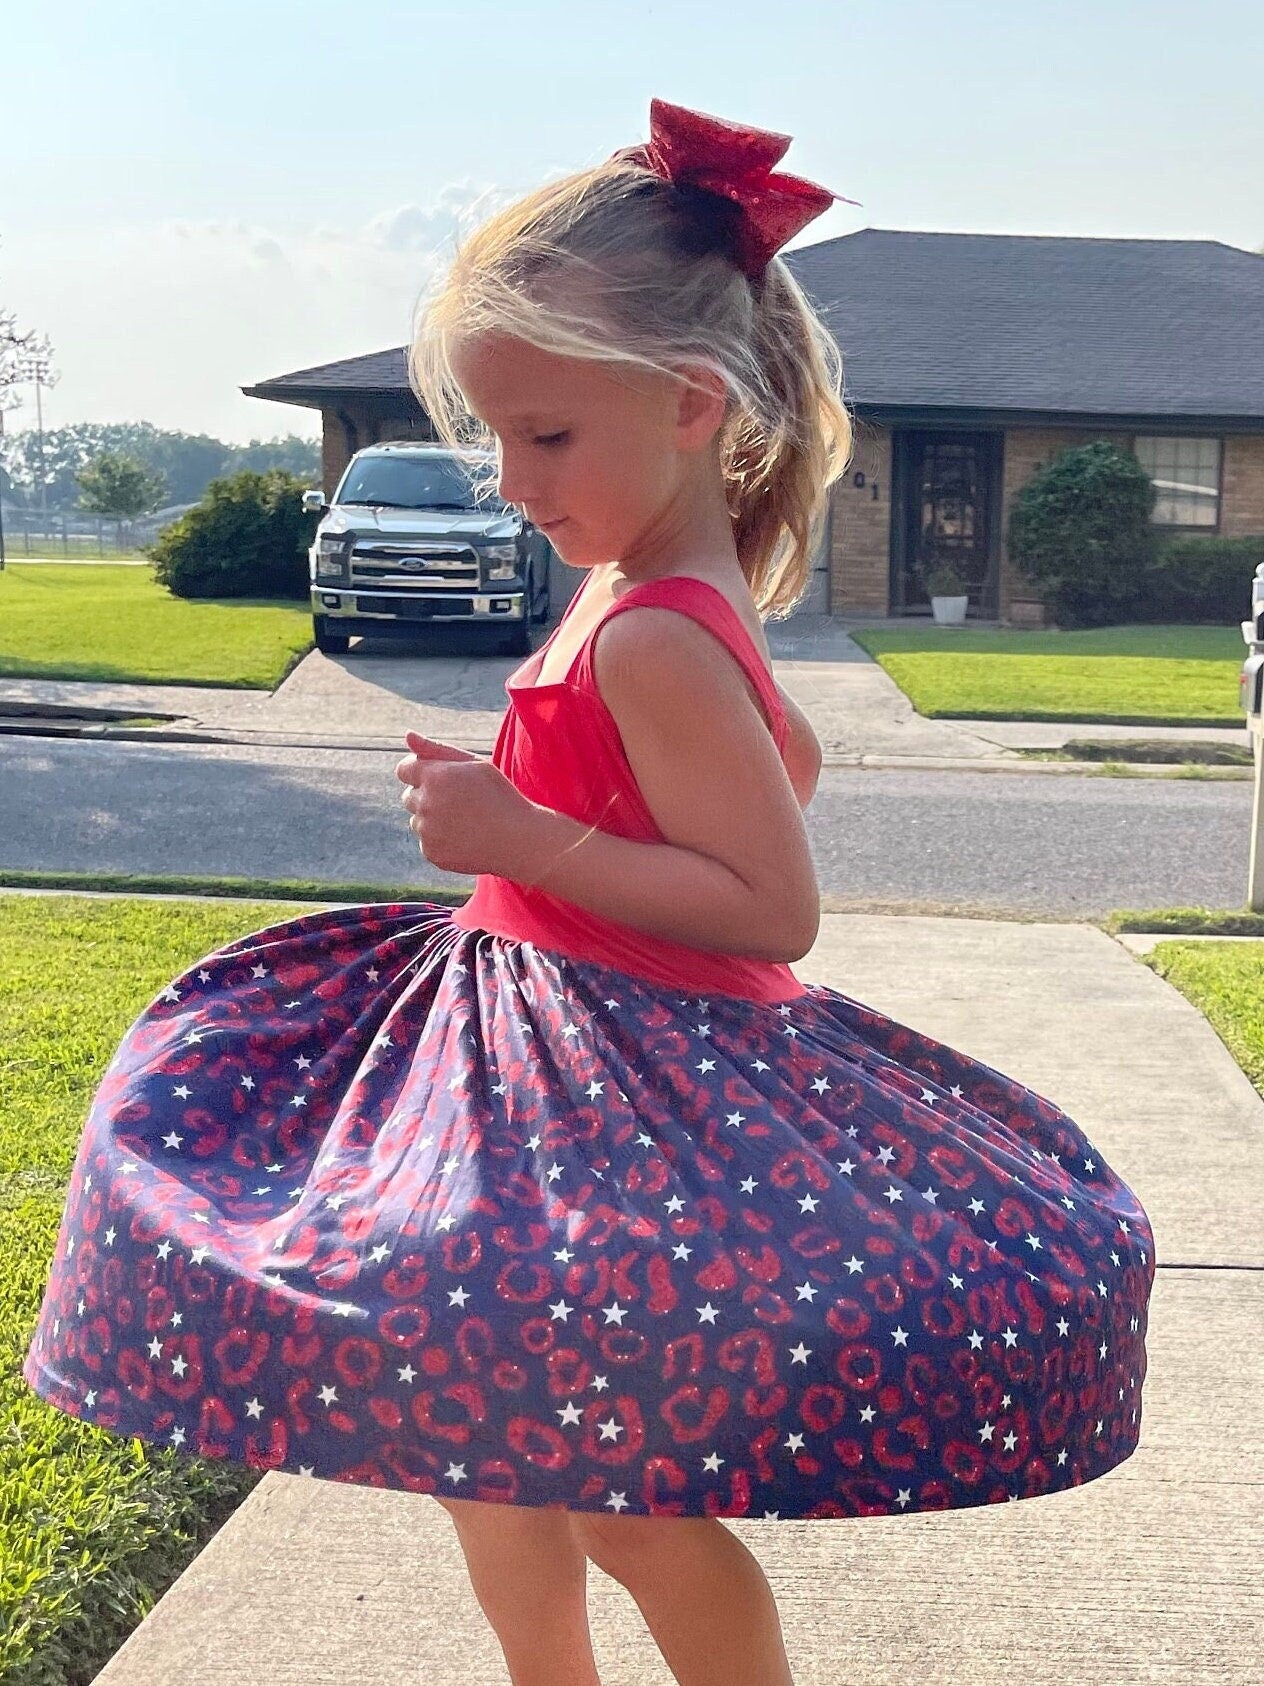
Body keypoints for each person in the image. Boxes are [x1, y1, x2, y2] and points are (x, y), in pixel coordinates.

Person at [23, 99, 1156, 1686]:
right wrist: (593, 803)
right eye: (498, 434)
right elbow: (793, 761)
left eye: (546, 436)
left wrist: (523, 832)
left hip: (623, 1090)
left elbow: (773, 905)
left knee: (629, 1498)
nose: (509, 477)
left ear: (694, 404)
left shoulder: (653, 630)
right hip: (552, 1068)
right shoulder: (654, 594)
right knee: (484, 1447)